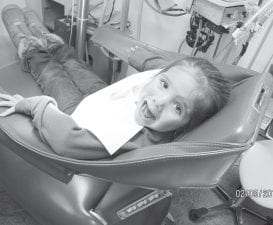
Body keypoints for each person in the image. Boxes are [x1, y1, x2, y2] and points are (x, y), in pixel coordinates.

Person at [0, 5, 230, 159]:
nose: (160, 101)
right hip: (108, 97)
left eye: (178, 107)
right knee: (70, 59)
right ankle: (46, 35)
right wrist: (131, 51)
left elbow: (64, 139)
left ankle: (19, 24)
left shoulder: (129, 139)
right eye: (164, 85)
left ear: (184, 125)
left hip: (79, 114)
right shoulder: (167, 81)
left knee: (49, 67)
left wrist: (32, 105)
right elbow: (157, 65)